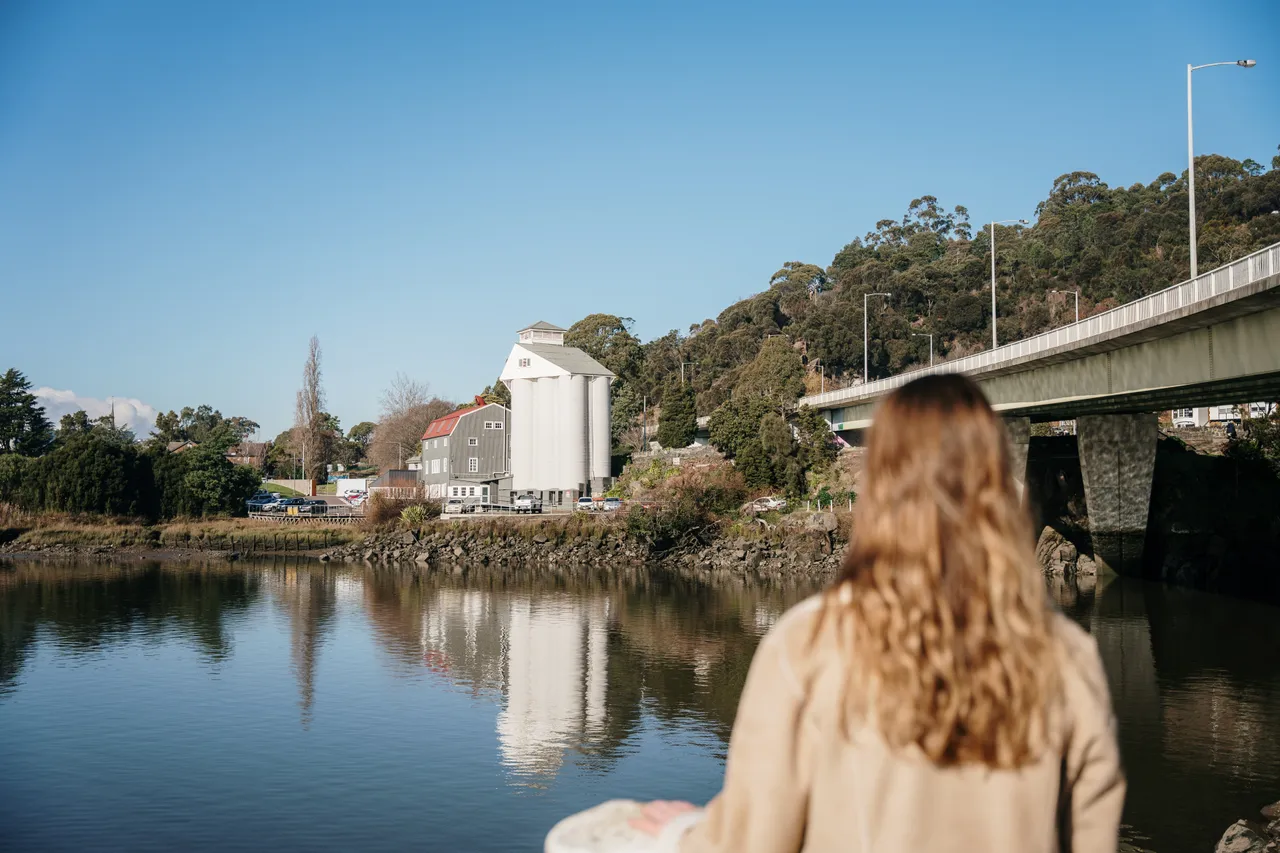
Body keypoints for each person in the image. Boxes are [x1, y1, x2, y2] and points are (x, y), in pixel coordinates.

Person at [631, 374, 1125, 852]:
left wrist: (678, 835)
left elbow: (753, 840)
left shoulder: (808, 644)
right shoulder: (1068, 656)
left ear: (882, 482)